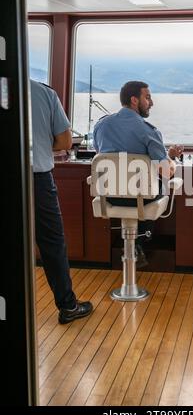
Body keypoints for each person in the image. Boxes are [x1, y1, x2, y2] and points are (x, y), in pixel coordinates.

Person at [93, 80, 183, 267]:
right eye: (147, 97)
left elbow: (101, 157)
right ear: (134, 100)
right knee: (151, 187)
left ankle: (134, 245)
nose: (151, 102)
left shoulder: (101, 126)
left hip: (109, 197)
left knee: (141, 188)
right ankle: (139, 244)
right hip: (141, 199)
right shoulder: (148, 131)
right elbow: (166, 171)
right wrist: (172, 159)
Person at [30, 79, 93, 324]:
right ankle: (68, 307)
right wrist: (41, 146)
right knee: (51, 243)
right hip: (37, 179)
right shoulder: (43, 93)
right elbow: (65, 142)